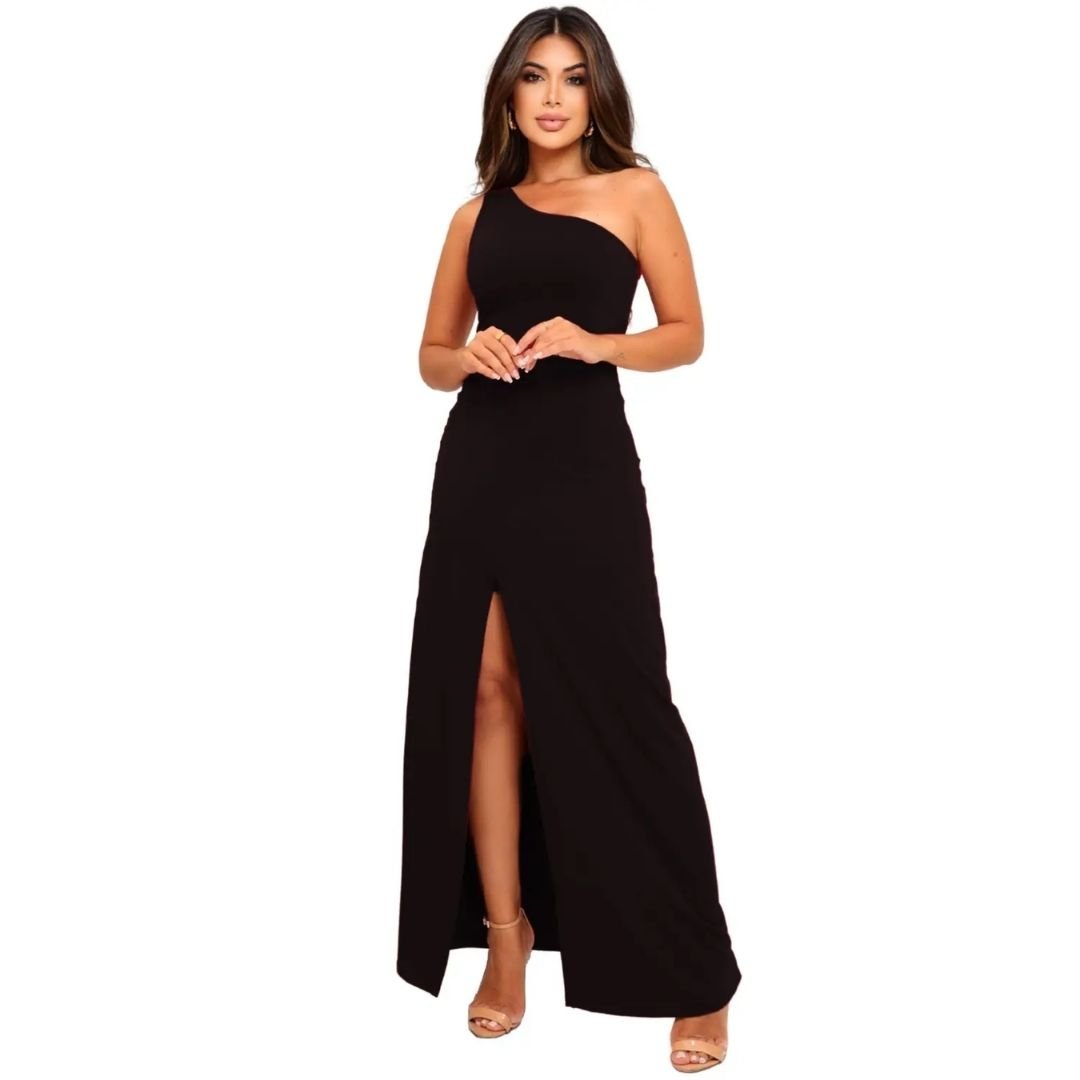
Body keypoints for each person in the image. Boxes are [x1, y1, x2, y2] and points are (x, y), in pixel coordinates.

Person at [396, 7, 742, 1072]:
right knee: (485, 695)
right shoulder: (475, 215)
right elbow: (429, 355)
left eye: (575, 78)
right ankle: (506, 938)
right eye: (535, 76)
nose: (553, 96)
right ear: (508, 94)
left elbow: (687, 334)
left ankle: (695, 971)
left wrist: (598, 343)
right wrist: (469, 356)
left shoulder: (636, 192)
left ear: (598, 97)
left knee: (629, 703)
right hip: (481, 467)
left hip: (585, 472)